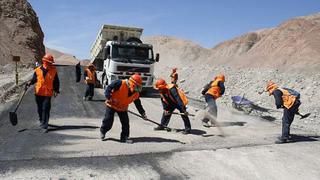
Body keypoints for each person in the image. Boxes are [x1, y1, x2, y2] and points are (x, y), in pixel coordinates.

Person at [100, 74, 147, 143]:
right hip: (112, 105)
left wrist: (142, 113)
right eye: (136, 86)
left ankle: (124, 137)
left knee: (125, 123)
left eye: (139, 87)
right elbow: (109, 88)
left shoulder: (136, 93)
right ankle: (103, 131)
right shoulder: (120, 83)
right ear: (132, 84)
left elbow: (138, 104)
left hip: (122, 108)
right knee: (108, 120)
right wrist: (109, 97)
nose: (137, 89)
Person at [26, 53, 60, 133]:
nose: (51, 64)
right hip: (38, 93)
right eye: (49, 62)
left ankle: (45, 125)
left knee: (46, 108)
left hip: (47, 93)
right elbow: (34, 79)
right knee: (40, 108)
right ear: (45, 61)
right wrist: (29, 83)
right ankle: (41, 119)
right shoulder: (37, 70)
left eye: (51, 63)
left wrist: (56, 90)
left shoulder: (53, 70)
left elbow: (56, 82)